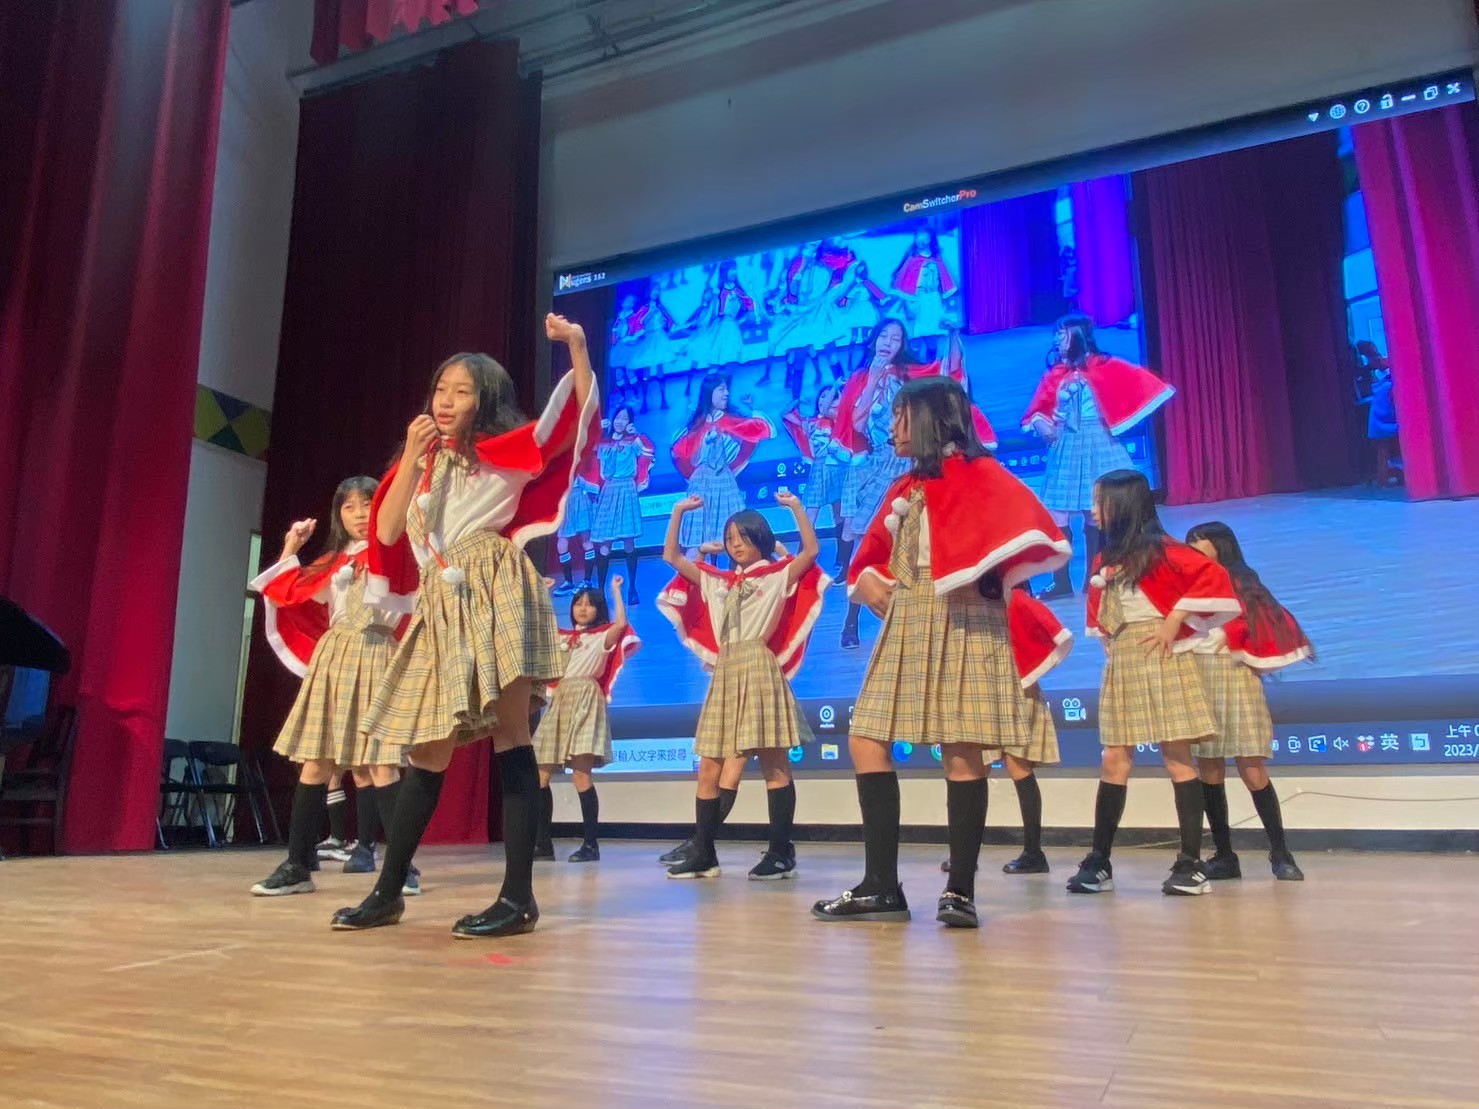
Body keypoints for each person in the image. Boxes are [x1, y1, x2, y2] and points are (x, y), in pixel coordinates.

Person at [327, 315, 599, 936]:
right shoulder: (421, 463)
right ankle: (388, 893)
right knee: (427, 748)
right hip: (439, 601)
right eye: (440, 390)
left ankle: (518, 899)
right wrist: (412, 456)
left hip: (492, 582)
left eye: (462, 391)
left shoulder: (506, 453)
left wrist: (577, 347)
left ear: (486, 400)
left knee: (511, 735)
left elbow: (577, 418)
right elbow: (386, 531)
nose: (445, 401)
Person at [812, 377, 1071, 928]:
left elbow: (1027, 535)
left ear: (929, 418)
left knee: (963, 749)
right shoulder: (906, 486)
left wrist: (987, 576)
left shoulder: (982, 474)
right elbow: (870, 557)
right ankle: (881, 885)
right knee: (866, 738)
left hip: (968, 616)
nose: (890, 427)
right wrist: (869, 579)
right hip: (908, 616)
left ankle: (960, 891)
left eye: (900, 416)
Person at [1067, 469, 1241, 898]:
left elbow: (1213, 577)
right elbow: (1100, 611)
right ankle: (1099, 861)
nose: (1093, 510)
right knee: (1114, 759)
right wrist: (1109, 640)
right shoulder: (1106, 558)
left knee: (1178, 757)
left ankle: (1190, 863)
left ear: (1123, 505)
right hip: (1125, 657)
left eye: (1099, 501)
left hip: (1163, 655)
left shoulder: (1166, 551)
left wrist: (1174, 620)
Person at [247, 477, 417, 897]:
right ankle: (297, 865)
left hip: (377, 652)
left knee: (382, 763)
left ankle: (401, 868)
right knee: (316, 761)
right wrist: (291, 546)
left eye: (368, 504)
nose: (359, 514)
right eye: (349, 506)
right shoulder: (334, 561)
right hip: (335, 655)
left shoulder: (400, 554)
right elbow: (288, 591)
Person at [656, 492, 829, 880]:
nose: (735, 544)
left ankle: (781, 853)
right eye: (730, 538)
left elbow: (811, 551)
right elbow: (672, 557)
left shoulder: (776, 575)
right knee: (709, 767)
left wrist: (796, 508)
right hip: (726, 669)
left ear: (760, 539)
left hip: (758, 665)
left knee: (774, 764)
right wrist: (678, 511)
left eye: (743, 537)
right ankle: (704, 854)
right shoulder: (718, 580)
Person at [832, 318, 996, 649]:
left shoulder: (911, 375)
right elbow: (857, 424)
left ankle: (931, 613)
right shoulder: (860, 379)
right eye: (883, 336)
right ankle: (851, 622)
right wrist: (873, 378)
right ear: (873, 339)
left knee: (921, 541)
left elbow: (948, 377)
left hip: (914, 463)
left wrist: (952, 335)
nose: (888, 342)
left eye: (895, 338)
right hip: (876, 467)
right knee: (868, 544)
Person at [1185, 522, 1312, 881]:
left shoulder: (1243, 581)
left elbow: (1268, 625)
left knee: (1251, 767)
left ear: (1221, 545)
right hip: (1198, 677)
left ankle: (1281, 853)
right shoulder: (1187, 584)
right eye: (1190, 540)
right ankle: (1224, 855)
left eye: (1199, 540)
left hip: (1237, 677)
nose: (1192, 545)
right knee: (1209, 769)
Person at [1021, 314, 1174, 598]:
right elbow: (1040, 408)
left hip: (1098, 439)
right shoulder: (1056, 373)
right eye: (1056, 334)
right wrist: (1044, 424)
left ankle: (1093, 576)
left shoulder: (1103, 366)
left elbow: (1136, 384)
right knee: (1057, 511)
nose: (1057, 339)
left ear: (1079, 336)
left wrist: (1116, 414)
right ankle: (1061, 581)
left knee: (1095, 512)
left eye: (1063, 334)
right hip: (1067, 444)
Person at [533, 582, 641, 863]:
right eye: (578, 603)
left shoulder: (602, 636)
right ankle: (543, 844)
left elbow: (621, 624)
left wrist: (616, 590)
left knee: (581, 775)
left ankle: (590, 845)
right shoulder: (563, 636)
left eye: (590, 604)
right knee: (540, 775)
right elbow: (542, 625)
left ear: (598, 609)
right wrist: (545, 593)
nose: (583, 608)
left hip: (586, 699)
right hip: (561, 701)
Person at [669, 374, 774, 557]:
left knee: (738, 535)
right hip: (701, 484)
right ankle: (693, 575)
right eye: (721, 389)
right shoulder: (696, 425)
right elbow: (681, 451)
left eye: (726, 389)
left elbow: (759, 428)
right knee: (697, 540)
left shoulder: (731, 421)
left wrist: (748, 408)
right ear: (709, 393)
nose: (726, 393)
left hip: (725, 483)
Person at [588, 404, 655, 605]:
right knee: (605, 543)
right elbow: (587, 453)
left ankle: (632, 588)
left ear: (630, 422)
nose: (620, 422)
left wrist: (638, 434)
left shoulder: (634, 441)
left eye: (625, 418)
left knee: (628, 541)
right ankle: (600, 591)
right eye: (618, 417)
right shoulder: (604, 442)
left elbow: (649, 450)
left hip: (626, 489)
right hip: (609, 491)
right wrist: (596, 431)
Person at [783, 385, 849, 532]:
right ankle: (806, 546)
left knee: (839, 514)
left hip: (837, 467)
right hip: (818, 469)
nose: (824, 400)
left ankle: (843, 547)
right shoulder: (809, 421)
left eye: (830, 397)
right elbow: (786, 414)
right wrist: (798, 401)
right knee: (810, 516)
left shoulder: (837, 419)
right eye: (822, 396)